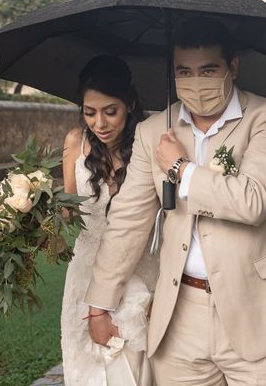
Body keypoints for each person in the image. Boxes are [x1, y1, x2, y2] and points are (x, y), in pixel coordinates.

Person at [85, 17, 266, 385]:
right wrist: (99, 304)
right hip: (180, 314)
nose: (196, 81)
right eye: (185, 71)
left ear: (232, 68)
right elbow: (128, 221)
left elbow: (253, 200)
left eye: (208, 69)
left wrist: (181, 169)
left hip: (259, 310)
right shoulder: (154, 132)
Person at [60, 57, 157, 385]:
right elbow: (67, 212)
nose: (99, 123)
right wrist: (31, 214)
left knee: (134, 369)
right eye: (90, 112)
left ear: (129, 104)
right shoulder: (75, 142)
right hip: (85, 272)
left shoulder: (150, 143)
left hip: (138, 268)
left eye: (109, 111)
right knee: (88, 368)